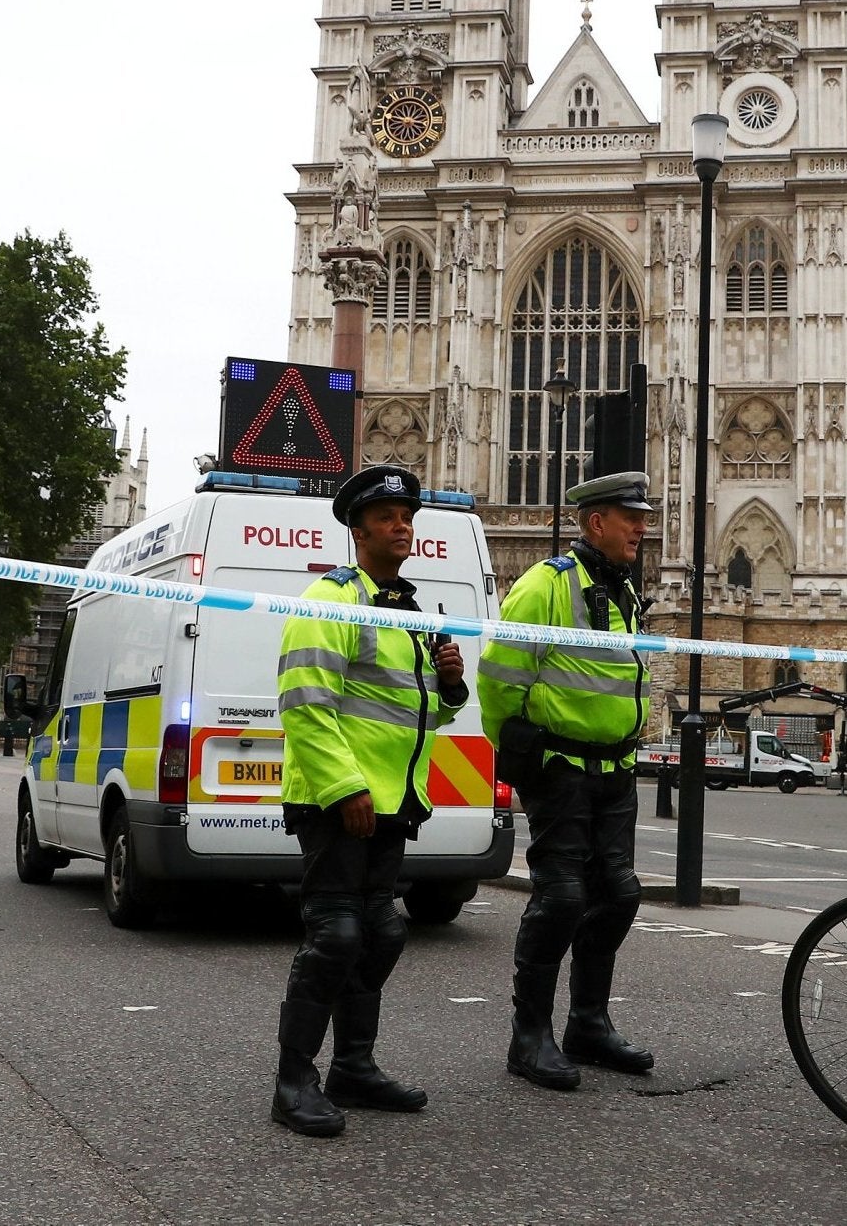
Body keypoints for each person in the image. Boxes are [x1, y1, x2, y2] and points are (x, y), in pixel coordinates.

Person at [269, 463, 468, 1137]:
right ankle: (293, 1080)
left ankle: (353, 1065)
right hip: (338, 800)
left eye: (407, 515)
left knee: (381, 932)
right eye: (386, 516)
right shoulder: (329, 599)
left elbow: (415, 717)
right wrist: (343, 786)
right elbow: (304, 704)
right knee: (337, 936)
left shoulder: (407, 611)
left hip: (391, 801)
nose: (401, 525)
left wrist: (448, 689)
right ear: (358, 530)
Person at [479, 471, 658, 1092]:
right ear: (594, 523)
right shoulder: (544, 586)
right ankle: (529, 1037)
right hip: (560, 768)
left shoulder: (624, 590)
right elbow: (500, 676)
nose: (642, 526)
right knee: (561, 898)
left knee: (619, 895)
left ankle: (588, 1024)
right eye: (628, 517)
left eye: (642, 516)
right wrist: (519, 747)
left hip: (616, 769)